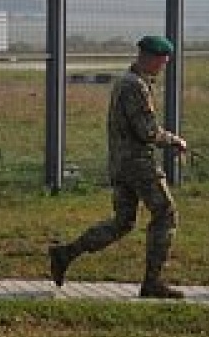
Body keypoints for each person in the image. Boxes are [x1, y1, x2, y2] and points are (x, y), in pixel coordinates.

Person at [48, 35, 187, 299]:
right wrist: (174, 141)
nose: (163, 66)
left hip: (120, 164)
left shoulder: (127, 82)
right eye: (161, 60)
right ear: (149, 57)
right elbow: (147, 132)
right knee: (166, 214)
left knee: (122, 222)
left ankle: (65, 254)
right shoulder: (135, 86)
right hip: (138, 165)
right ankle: (152, 282)